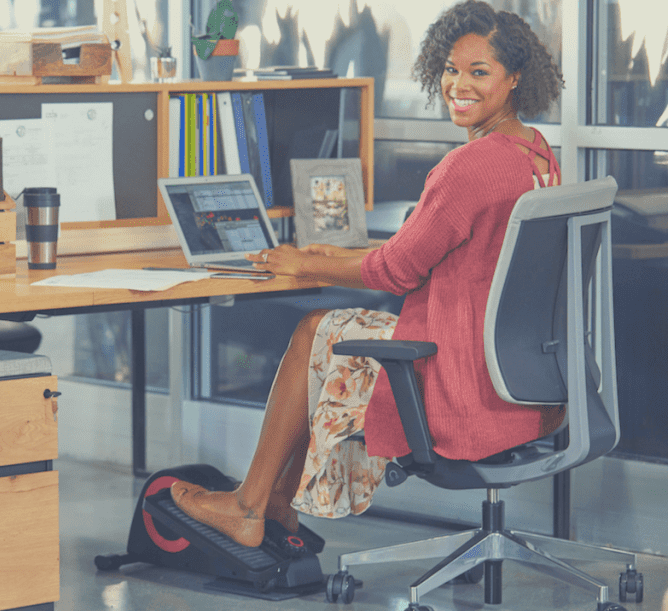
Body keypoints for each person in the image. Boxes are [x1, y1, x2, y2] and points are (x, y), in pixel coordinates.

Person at [170, 0, 566, 548]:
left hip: (460, 381)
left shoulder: (468, 166)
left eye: (480, 72)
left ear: (515, 77)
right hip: (520, 381)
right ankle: (278, 504)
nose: (458, 84)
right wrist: (328, 256)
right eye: (452, 69)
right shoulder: (537, 155)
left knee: (317, 329)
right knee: (333, 329)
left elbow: (396, 271)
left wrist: (304, 261)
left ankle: (248, 504)